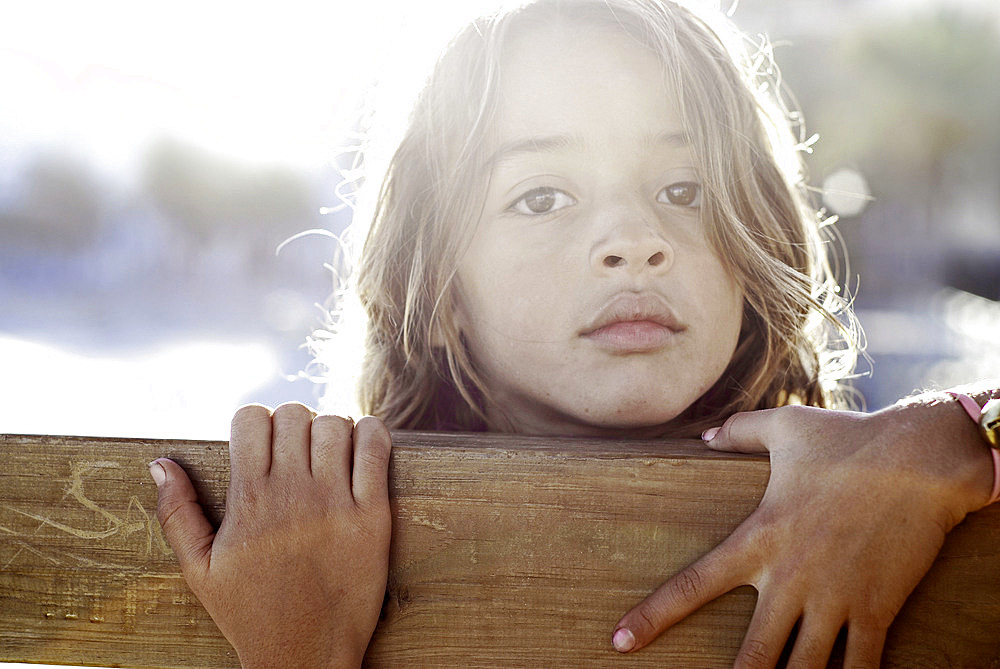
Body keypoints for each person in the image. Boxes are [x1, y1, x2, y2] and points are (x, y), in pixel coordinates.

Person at [146, 0, 1000, 666]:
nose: (633, 237)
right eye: (542, 196)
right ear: (439, 290)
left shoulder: (891, 486)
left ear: (756, 244)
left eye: (686, 188)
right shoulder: (310, 546)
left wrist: (954, 436)